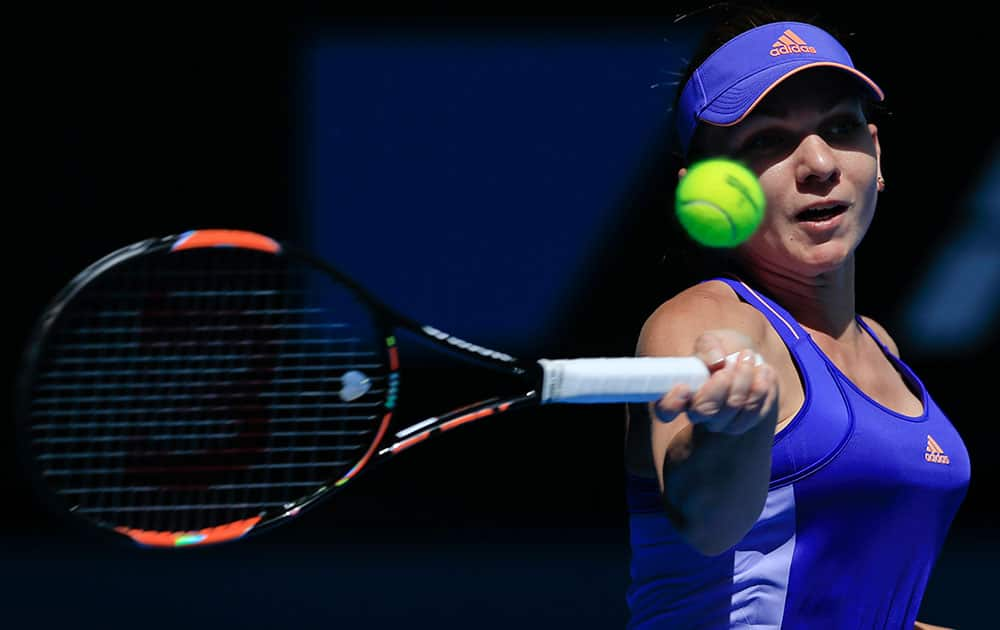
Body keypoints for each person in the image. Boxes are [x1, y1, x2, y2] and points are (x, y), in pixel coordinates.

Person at [623, 4, 971, 629]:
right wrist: (728, 434)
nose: (818, 164)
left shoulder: (881, 347)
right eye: (768, 140)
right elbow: (707, 524)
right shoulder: (696, 321)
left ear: (876, 154)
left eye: (839, 128)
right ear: (708, 189)